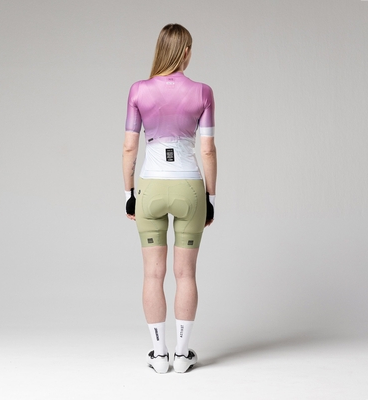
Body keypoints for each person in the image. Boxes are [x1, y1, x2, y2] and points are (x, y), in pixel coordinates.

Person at [122, 23, 217, 374]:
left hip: (150, 187)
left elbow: (129, 147)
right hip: (189, 188)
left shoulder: (138, 90)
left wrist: (129, 193)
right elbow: (207, 150)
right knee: (185, 274)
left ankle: (159, 355)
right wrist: (210, 197)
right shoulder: (203, 92)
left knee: (153, 274)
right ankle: (182, 354)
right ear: (186, 51)